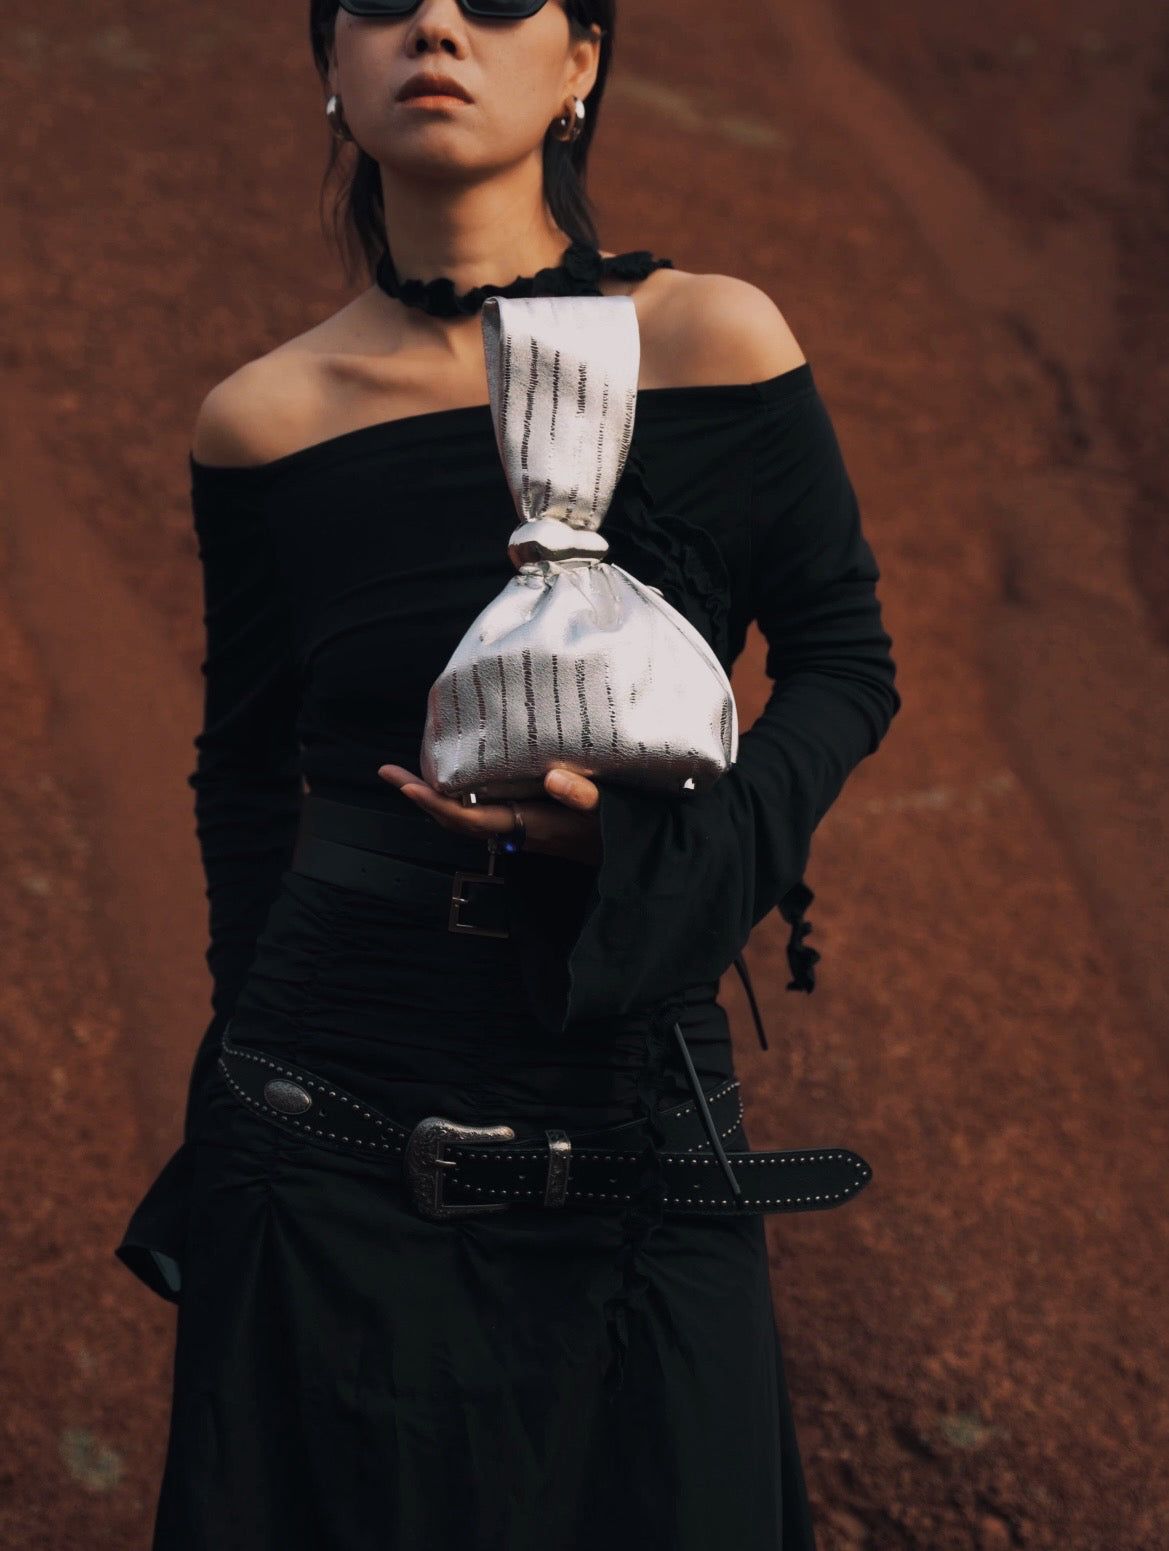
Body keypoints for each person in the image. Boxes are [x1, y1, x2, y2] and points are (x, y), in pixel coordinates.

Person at [114, 1, 901, 1547]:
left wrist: (660, 857)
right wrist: (239, 1102)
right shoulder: (262, 422)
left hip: (629, 1088)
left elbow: (842, 659)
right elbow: (244, 771)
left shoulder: (713, 341)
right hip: (325, 1117)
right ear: (329, 70)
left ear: (581, 61)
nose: (433, 23)